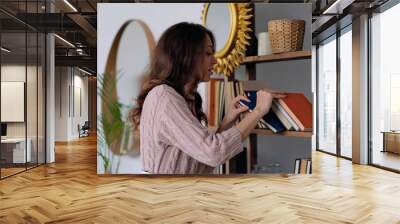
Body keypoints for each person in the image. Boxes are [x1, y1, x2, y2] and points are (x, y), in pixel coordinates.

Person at [130, 22, 285, 174]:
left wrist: (227, 121)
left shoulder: (177, 97)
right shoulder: (164, 97)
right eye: (208, 53)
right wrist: (258, 111)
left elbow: (201, 161)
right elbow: (213, 154)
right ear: (186, 55)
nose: (215, 60)